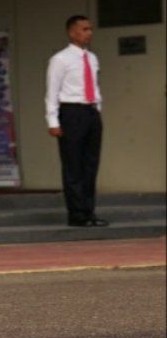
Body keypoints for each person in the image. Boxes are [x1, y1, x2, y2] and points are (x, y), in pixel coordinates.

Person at [46, 15, 107, 228]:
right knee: (73, 164)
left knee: (90, 164)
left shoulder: (92, 58)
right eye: (84, 29)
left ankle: (89, 211)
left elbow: (95, 86)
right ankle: (77, 214)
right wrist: (52, 120)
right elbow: (52, 91)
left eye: (90, 29)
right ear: (72, 32)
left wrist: (97, 109)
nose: (89, 33)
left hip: (90, 111)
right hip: (71, 112)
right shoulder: (60, 59)